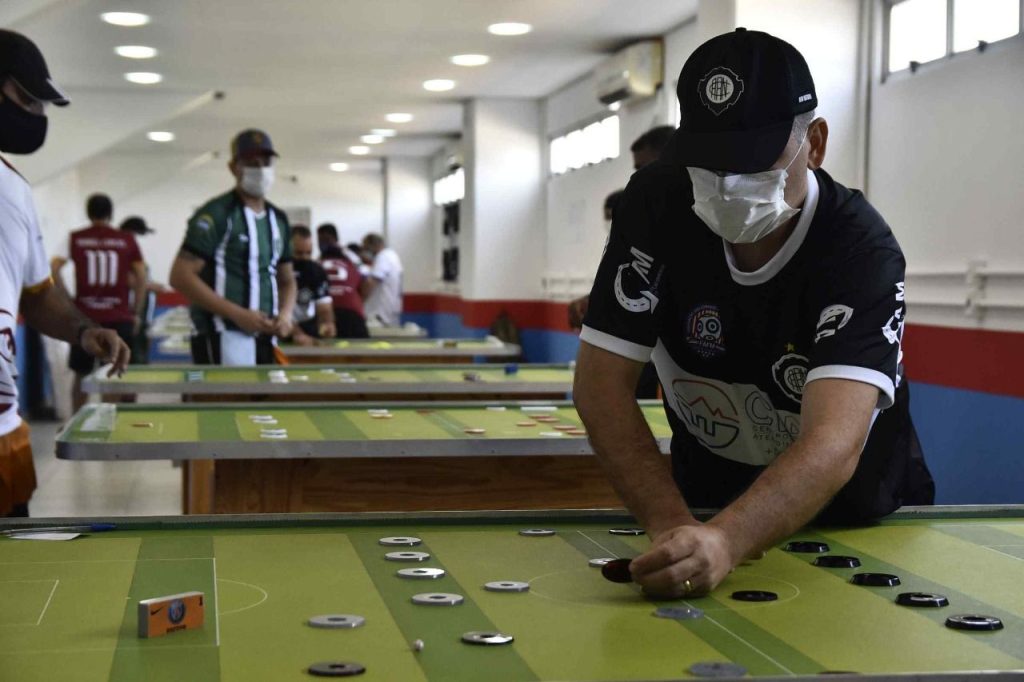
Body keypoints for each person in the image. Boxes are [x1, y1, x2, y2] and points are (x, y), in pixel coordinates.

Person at [574, 29, 934, 598]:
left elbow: (834, 442)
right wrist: (673, 528)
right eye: (708, 163)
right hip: (703, 499)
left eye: (751, 162)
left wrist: (727, 541)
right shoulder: (657, 203)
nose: (727, 185)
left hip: (850, 517)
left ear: (814, 144)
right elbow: (600, 389)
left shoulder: (859, 250)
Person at [0, 29, 130, 516]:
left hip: (4, 431)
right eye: (27, 99)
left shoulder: (13, 191)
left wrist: (83, 330)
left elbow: (36, 293)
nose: (37, 115)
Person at [168, 129, 296, 365]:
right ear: (233, 167)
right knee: (229, 390)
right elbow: (180, 276)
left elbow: (287, 279)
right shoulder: (217, 214)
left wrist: (285, 315)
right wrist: (237, 314)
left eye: (266, 162)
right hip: (221, 334)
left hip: (267, 336)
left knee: (267, 389)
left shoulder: (278, 219)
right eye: (252, 163)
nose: (260, 169)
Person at [51, 194, 146, 411]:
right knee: (112, 371)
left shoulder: (75, 238)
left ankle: (76, 420)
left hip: (84, 317)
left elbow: (54, 269)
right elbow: (140, 276)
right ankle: (108, 421)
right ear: (111, 214)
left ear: (88, 212)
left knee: (81, 374)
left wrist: (67, 300)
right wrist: (135, 311)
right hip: (118, 316)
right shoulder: (126, 239)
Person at [119, 216, 166, 364]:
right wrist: (150, 286)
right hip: (134, 312)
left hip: (143, 313)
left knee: (142, 354)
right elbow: (128, 280)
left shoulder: (131, 253)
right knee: (135, 358)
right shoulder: (122, 252)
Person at [317, 223, 370, 338]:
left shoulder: (350, 257)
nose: (322, 243)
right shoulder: (347, 262)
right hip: (350, 311)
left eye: (325, 239)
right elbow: (367, 281)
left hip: (330, 311)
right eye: (320, 240)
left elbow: (367, 280)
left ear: (335, 238)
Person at [288, 225, 335, 345]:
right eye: (298, 253)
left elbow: (324, 306)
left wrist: (327, 324)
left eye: (308, 253)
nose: (304, 257)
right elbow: (274, 310)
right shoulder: (276, 270)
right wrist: (296, 333)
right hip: (280, 326)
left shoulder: (316, 271)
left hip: (306, 325)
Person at [361, 233, 403, 327]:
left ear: (374, 246)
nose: (365, 252)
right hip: (388, 314)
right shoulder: (392, 256)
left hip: (378, 316)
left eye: (366, 248)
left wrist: (359, 300)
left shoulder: (383, 257)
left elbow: (372, 283)